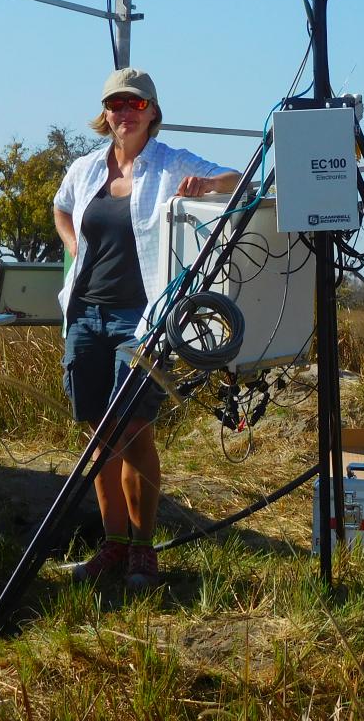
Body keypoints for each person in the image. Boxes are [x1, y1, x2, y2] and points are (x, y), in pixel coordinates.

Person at [52, 67, 240, 589]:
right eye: (116, 105)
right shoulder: (86, 168)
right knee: (97, 434)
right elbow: (61, 208)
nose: (124, 114)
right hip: (86, 312)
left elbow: (237, 180)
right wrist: (72, 249)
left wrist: (205, 185)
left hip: (144, 318)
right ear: (105, 114)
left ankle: (143, 550)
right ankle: (112, 547)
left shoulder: (169, 162)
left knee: (133, 430)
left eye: (135, 105)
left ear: (152, 113)